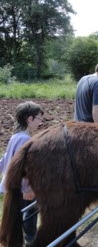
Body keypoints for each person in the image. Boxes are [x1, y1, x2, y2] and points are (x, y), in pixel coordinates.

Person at [0, 101, 44, 244]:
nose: (41, 122)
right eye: (39, 118)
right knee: (29, 219)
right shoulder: (25, 139)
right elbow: (22, 168)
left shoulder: (16, 136)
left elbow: (6, 159)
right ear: (29, 119)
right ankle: (30, 242)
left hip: (14, 187)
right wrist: (27, 188)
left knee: (20, 218)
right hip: (22, 189)